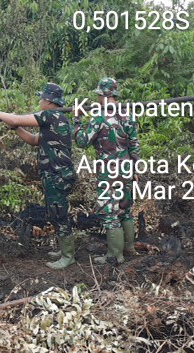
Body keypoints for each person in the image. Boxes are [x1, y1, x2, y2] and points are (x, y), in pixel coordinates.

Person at [0, 83, 77, 269]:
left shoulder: (49, 116)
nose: (39, 101)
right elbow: (33, 141)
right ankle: (65, 250)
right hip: (58, 173)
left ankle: (68, 256)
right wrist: (15, 129)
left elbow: (15, 119)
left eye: (42, 98)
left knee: (59, 213)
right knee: (56, 212)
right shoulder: (60, 119)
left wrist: (0, 114)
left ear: (48, 101)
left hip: (57, 174)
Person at [75, 78, 140, 265]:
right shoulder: (128, 116)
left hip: (109, 171)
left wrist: (77, 119)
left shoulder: (99, 117)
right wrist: (135, 168)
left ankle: (114, 256)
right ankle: (129, 248)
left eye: (98, 95)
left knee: (111, 214)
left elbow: (82, 141)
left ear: (104, 95)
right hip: (126, 169)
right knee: (125, 210)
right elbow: (135, 145)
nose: (96, 98)